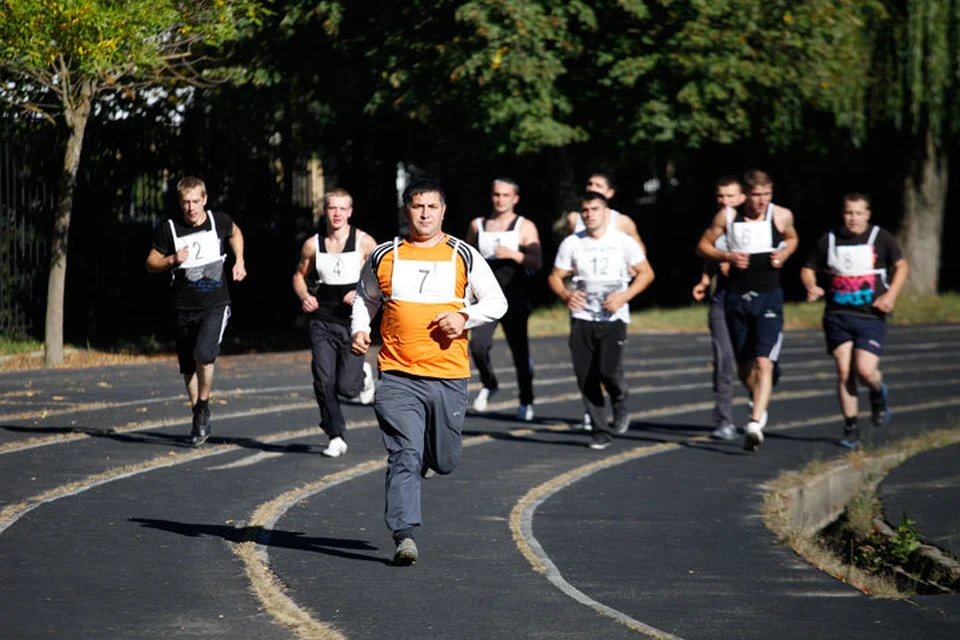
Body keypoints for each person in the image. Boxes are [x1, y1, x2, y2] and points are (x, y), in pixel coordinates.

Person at [351, 177, 507, 566]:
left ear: (443, 211)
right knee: (403, 453)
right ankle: (405, 535)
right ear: (406, 210)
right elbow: (364, 298)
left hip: (448, 376)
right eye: (417, 206)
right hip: (398, 374)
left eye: (432, 207)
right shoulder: (385, 255)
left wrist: (465, 316)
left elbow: (497, 302)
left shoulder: (463, 254)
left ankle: (427, 460)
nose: (424, 213)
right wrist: (359, 328)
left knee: (446, 460)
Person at [696, 169, 798, 451]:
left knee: (763, 362)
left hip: (769, 296)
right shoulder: (727, 216)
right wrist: (726, 256)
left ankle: (754, 422)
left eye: (767, 195)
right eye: (756, 195)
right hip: (736, 297)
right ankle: (758, 395)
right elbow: (703, 246)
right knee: (743, 365)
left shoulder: (781, 215)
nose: (762, 201)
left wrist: (785, 253)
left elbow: (792, 238)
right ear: (746, 194)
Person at [800, 193, 909, 449]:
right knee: (844, 370)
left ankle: (877, 391)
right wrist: (812, 286)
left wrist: (891, 296)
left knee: (864, 370)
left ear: (867, 214)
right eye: (849, 213)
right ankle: (851, 426)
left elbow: (902, 266)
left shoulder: (880, 238)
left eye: (858, 213)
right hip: (838, 315)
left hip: (871, 315)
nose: (853, 218)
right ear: (843, 214)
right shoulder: (829, 239)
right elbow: (808, 268)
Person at [548, 191, 655, 450]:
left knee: (608, 371)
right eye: (585, 211)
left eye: (595, 209)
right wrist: (566, 295)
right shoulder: (572, 243)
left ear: (606, 212)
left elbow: (646, 273)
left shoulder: (622, 241)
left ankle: (619, 400)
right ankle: (600, 429)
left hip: (613, 317)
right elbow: (554, 276)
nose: (590, 215)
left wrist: (624, 296)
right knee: (586, 375)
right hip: (582, 317)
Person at [146, 176, 246, 445]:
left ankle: (203, 405)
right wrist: (171, 259)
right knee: (188, 365)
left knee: (205, 354)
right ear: (181, 203)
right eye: (186, 202)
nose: (191, 207)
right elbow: (150, 262)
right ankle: (198, 412)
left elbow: (236, 233)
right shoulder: (170, 229)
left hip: (215, 303)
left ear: (205, 200)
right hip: (182, 306)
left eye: (195, 201)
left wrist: (239, 261)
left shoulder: (218, 222)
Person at [292, 188, 377, 458]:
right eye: (332, 208)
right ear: (325, 211)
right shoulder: (312, 244)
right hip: (323, 321)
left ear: (350, 211)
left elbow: (383, 277)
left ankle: (362, 375)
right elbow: (298, 275)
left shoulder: (365, 242)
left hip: (353, 323)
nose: (337, 213)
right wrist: (305, 296)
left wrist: (362, 291)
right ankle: (335, 435)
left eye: (342, 208)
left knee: (346, 388)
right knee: (322, 380)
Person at [466, 178, 542, 421]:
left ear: (515, 198)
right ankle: (490, 382)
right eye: (496, 194)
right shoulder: (478, 225)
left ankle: (526, 399)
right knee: (477, 346)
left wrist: (514, 254)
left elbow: (537, 261)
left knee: (519, 350)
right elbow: (464, 257)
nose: (500, 199)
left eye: (505, 195)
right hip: (485, 296)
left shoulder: (524, 226)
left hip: (515, 295)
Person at [691, 176, 743, 441]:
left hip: (753, 301)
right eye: (721, 196)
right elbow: (707, 252)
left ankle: (758, 405)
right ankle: (724, 419)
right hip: (722, 299)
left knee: (755, 363)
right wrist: (704, 280)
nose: (725, 202)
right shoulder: (720, 221)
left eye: (731, 196)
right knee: (723, 360)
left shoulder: (759, 222)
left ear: (743, 197)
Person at [564, 171, 646, 250]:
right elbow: (566, 250)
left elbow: (640, 252)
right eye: (590, 184)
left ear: (610, 193)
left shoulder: (622, 221)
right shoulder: (574, 219)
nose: (592, 188)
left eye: (598, 186)